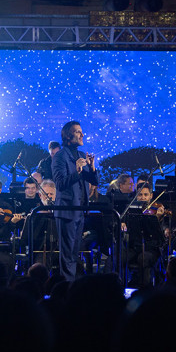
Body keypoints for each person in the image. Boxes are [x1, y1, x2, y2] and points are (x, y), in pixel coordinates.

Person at [51, 120, 98, 281]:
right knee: (67, 254)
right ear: (68, 136)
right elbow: (60, 184)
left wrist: (92, 167)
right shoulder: (60, 156)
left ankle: (72, 285)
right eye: (78, 131)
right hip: (67, 211)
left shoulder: (81, 155)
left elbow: (94, 181)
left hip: (80, 211)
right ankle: (67, 287)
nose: (82, 134)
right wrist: (77, 171)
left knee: (74, 253)